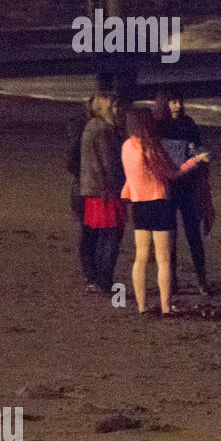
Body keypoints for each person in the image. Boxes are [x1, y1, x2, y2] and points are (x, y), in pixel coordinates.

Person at [121, 106, 209, 316]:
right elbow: (172, 174)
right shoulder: (152, 147)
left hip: (138, 204)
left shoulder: (126, 146)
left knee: (140, 258)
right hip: (159, 203)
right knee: (163, 260)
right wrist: (195, 161)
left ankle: (142, 306)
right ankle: (165, 306)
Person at [155, 88, 214, 296]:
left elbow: (199, 148)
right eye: (172, 102)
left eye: (179, 101)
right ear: (164, 103)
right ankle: (172, 281)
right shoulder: (158, 126)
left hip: (188, 185)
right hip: (168, 186)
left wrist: (201, 154)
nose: (177, 105)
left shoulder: (188, 123)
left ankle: (201, 280)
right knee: (170, 236)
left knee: (193, 235)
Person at [79, 93, 126, 293]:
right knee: (110, 236)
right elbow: (109, 163)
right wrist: (119, 186)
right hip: (105, 191)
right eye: (115, 106)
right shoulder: (104, 131)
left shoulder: (90, 127)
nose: (119, 110)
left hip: (91, 189)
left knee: (97, 235)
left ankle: (95, 277)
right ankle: (104, 280)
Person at [66, 96, 92, 287]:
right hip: (86, 188)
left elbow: (72, 164)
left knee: (88, 230)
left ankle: (91, 274)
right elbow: (72, 163)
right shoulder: (87, 132)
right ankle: (92, 274)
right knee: (92, 231)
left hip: (82, 186)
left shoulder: (80, 131)